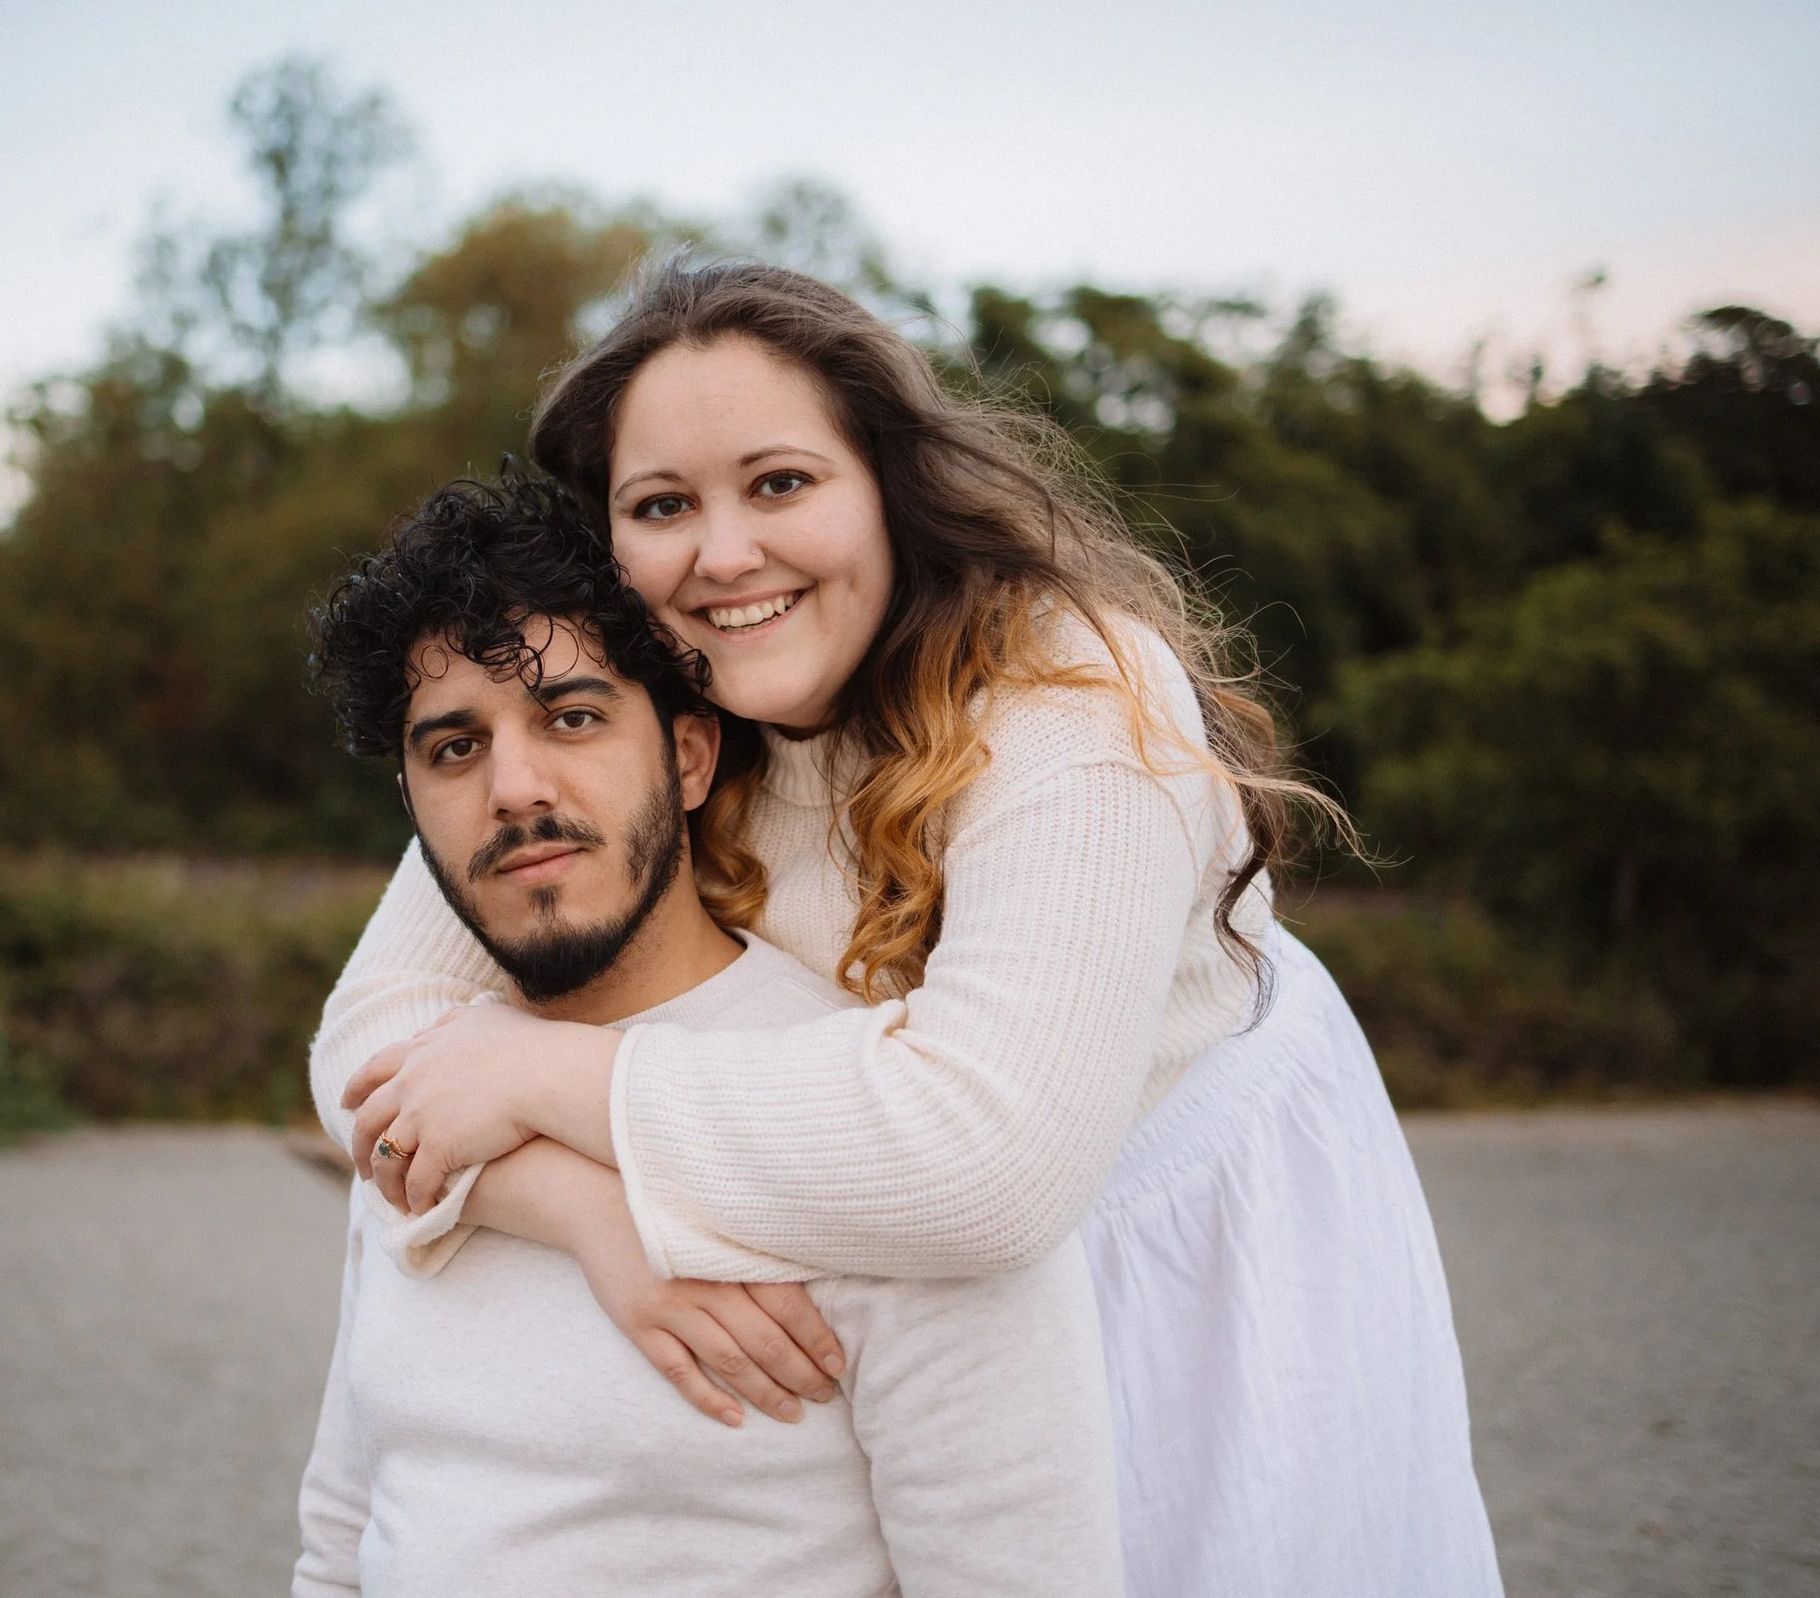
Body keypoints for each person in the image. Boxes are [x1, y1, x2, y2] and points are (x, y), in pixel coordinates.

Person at [317, 264, 1504, 1596]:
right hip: (917, 1261)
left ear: (888, 485)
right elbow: (371, 1052)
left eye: (780, 483)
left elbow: (993, 1160)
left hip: (1179, 1252)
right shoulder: (660, 722)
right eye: (663, 505)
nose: (723, 553)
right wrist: (593, 1212)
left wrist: (539, 1074)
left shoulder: (1073, 696)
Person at [293, 478, 1122, 1598]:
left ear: (688, 757)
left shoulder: (882, 1129)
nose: (513, 788)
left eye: (573, 717)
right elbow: (346, 1527)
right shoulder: (432, 1092)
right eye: (452, 748)